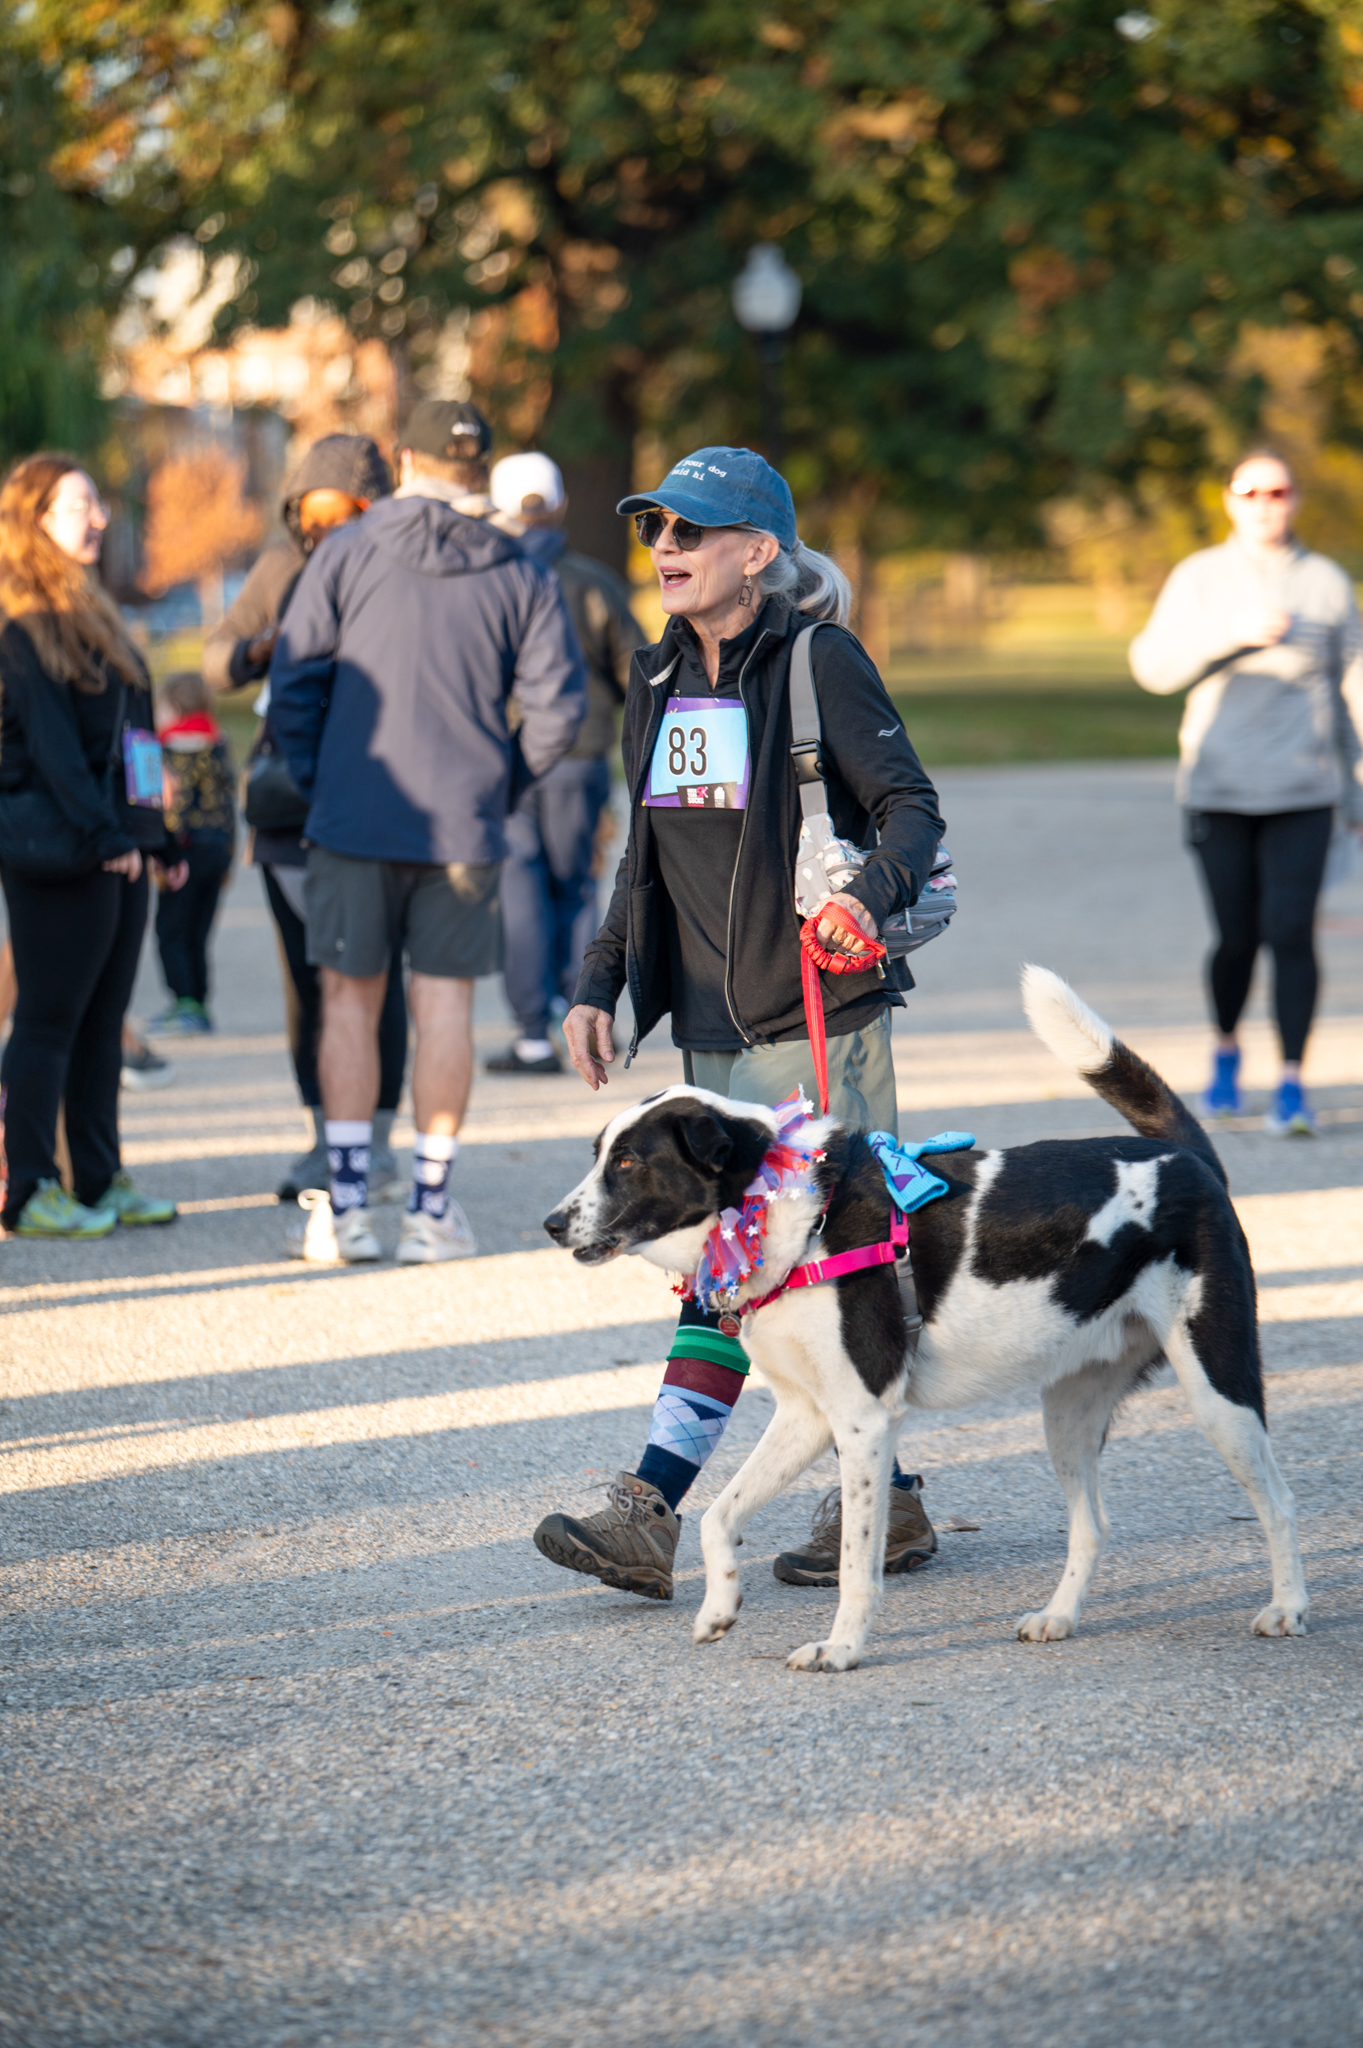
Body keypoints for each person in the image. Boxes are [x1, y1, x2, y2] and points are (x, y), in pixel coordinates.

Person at [531, 445, 946, 1603]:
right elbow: (644, 853)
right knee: (734, 1268)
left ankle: (670, 1503)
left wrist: (867, 894)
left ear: (756, 553)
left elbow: (911, 807)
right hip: (709, 1029)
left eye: (689, 530)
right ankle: (848, 1499)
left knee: (839, 1258)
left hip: (817, 1014)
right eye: (654, 528)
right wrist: (597, 983)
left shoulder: (818, 660)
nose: (663, 548)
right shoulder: (656, 680)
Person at [271, 399, 586, 1265]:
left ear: (403, 458)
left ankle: (345, 1208)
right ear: (477, 470)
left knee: (348, 1002)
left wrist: (319, 778)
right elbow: (558, 708)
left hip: (353, 814)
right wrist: (502, 782)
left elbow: (293, 682)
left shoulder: (343, 550)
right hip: (462, 820)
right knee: (444, 1003)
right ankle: (429, 1208)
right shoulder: (520, 569)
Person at [1130, 448, 1363, 1134]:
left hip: (1304, 790)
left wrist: (1355, 789)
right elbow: (1151, 668)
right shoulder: (1199, 578)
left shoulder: (1324, 582)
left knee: (1290, 933)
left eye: (1278, 491)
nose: (1265, 502)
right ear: (1230, 500)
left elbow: (1351, 683)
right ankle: (1226, 1050)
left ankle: (1291, 1082)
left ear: (1294, 499)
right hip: (1219, 790)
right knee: (1235, 938)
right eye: (1251, 491)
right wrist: (1225, 637)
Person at [203, 433, 407, 1201]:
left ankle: (377, 1141)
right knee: (305, 985)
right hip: (289, 812)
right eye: (311, 515)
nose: (325, 530)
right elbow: (216, 661)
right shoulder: (280, 569)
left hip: (374, 808)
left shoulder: (404, 571)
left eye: (343, 512)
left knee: (371, 980)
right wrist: (262, 646)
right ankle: (324, 1135)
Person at [0, 453, 183, 1238]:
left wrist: (157, 832)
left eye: (98, 503)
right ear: (33, 518)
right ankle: (31, 1185)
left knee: (104, 1016)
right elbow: (50, 747)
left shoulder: (92, 609)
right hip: (59, 847)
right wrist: (107, 833)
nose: (100, 517)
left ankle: (99, 1178)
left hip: (116, 847)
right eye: (80, 506)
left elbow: (133, 738)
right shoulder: (21, 619)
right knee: (48, 1018)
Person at [481, 451, 641, 1074]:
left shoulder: (484, 583)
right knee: (575, 889)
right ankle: (585, 1018)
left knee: (518, 889)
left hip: (507, 758)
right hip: (579, 754)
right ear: (561, 505)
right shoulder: (591, 581)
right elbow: (636, 669)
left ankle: (528, 1035)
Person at [148, 672, 236, 1033]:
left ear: (175, 707)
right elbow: (228, 805)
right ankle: (199, 1001)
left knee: (170, 928)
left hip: (183, 851)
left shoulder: (166, 750)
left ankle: (183, 1001)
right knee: (199, 929)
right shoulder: (219, 745)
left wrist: (162, 854)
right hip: (216, 849)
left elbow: (172, 806)